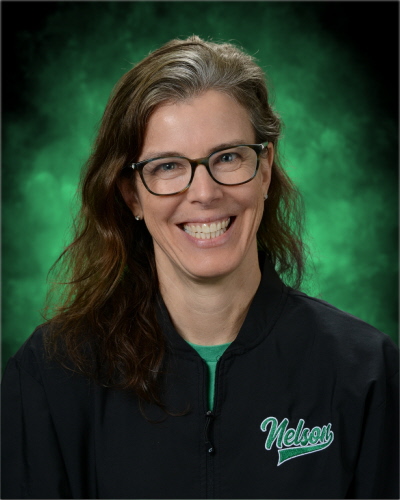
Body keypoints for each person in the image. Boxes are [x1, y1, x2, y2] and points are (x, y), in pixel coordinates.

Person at [1, 35, 398, 500]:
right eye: (168, 166)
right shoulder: (51, 373)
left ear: (265, 170)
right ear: (132, 195)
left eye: (227, 157)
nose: (205, 193)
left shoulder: (366, 372)